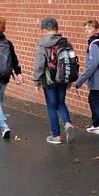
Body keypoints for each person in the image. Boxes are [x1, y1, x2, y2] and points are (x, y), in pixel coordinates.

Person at [32, 17, 75, 145]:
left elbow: (39, 65)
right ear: (57, 28)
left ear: (44, 30)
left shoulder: (42, 45)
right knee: (61, 103)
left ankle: (56, 135)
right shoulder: (65, 43)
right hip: (63, 79)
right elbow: (71, 62)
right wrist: (69, 80)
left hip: (49, 80)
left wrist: (37, 81)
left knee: (51, 106)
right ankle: (67, 123)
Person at [74, 20, 99, 142]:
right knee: (93, 99)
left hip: (97, 77)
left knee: (95, 101)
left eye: (90, 28)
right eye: (85, 29)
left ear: (97, 30)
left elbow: (92, 65)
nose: (86, 31)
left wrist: (79, 81)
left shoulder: (95, 44)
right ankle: (96, 125)